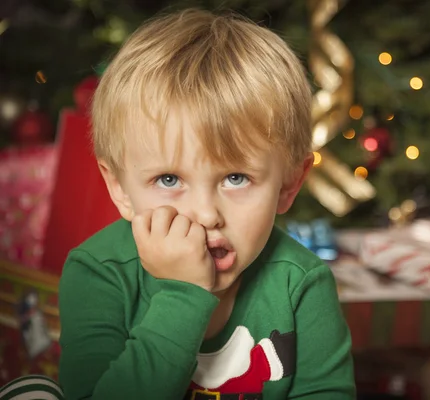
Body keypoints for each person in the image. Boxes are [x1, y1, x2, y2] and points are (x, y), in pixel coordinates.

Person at [57, 7, 355, 400]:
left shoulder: (301, 284)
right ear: (121, 190)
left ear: (288, 185)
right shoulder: (99, 273)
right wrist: (184, 294)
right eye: (168, 179)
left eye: (236, 178)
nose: (205, 214)